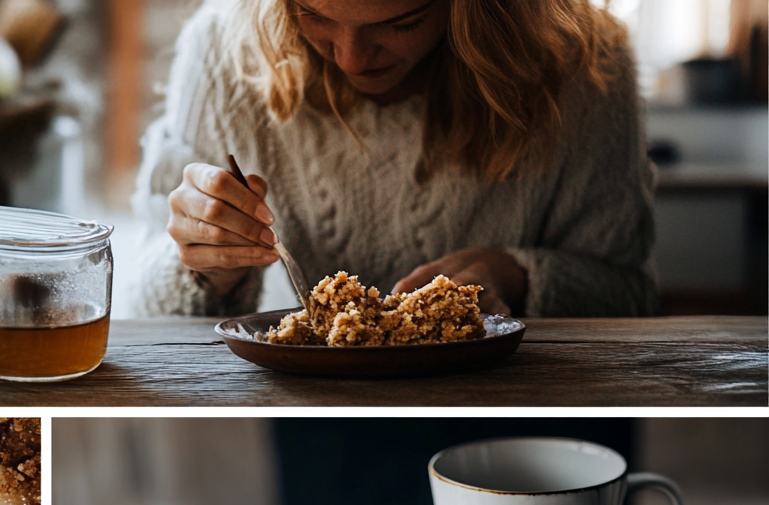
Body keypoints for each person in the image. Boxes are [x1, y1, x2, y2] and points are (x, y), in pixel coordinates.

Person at [134, 0, 657, 318]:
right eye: (314, 14)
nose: (351, 58)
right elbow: (147, 309)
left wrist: (518, 276)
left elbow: (629, 295)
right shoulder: (224, 48)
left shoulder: (586, 64)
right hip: (316, 409)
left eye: (401, 23)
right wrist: (207, 266)